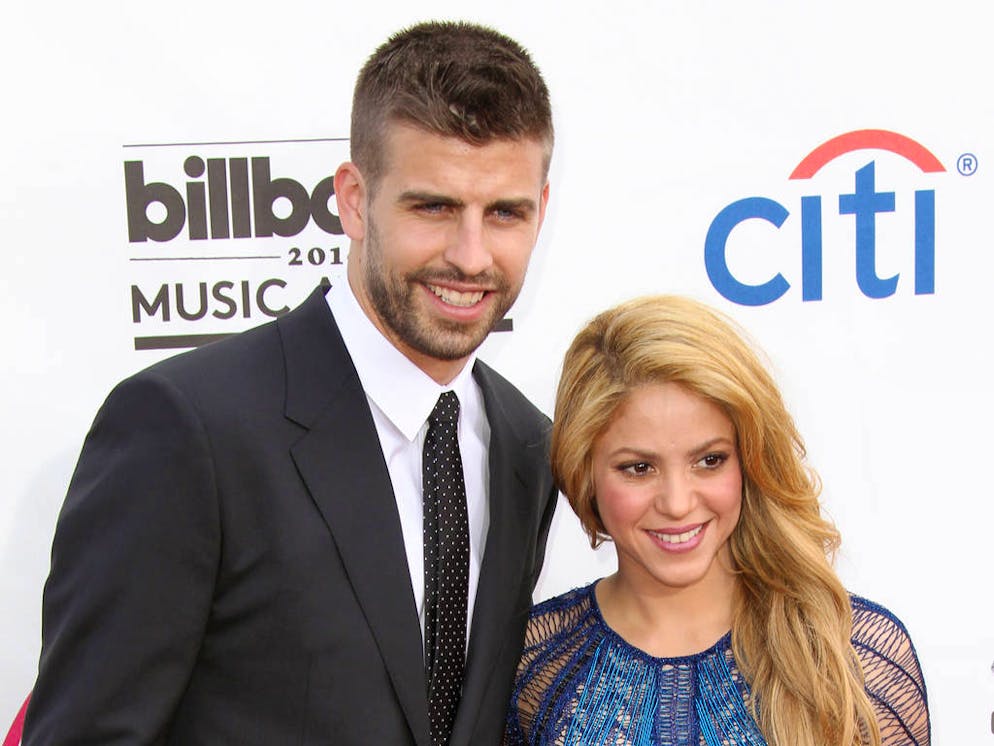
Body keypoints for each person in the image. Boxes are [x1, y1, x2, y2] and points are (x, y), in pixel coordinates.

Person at [25, 21, 558, 746]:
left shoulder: (527, 448)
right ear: (352, 199)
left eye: (504, 213)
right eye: (432, 206)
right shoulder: (188, 428)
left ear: (542, 212)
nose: (470, 256)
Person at [506, 296, 930, 746]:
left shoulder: (855, 657)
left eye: (709, 460)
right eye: (638, 467)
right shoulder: (534, 666)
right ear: (583, 469)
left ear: (749, 460)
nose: (677, 502)